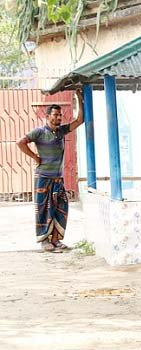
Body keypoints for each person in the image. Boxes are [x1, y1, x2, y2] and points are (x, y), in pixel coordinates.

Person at [16, 91, 84, 252]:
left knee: (62, 207)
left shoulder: (61, 131)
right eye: (55, 115)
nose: (58, 118)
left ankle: (55, 240)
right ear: (48, 116)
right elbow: (20, 142)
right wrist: (34, 157)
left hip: (57, 179)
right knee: (43, 210)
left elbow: (79, 120)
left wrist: (79, 100)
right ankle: (44, 241)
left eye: (60, 115)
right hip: (43, 178)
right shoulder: (39, 132)